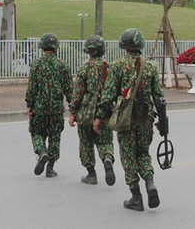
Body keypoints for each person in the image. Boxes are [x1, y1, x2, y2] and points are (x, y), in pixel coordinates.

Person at [93, 28, 168, 211]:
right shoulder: (150, 67)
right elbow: (159, 97)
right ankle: (150, 183)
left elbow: (108, 94)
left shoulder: (117, 65)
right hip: (146, 118)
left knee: (128, 155)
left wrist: (99, 117)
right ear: (140, 44)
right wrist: (163, 122)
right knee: (143, 153)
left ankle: (136, 196)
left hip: (125, 119)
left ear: (124, 46)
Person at [68, 35, 116, 186]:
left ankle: (91, 174)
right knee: (105, 141)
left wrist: (72, 112)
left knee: (86, 142)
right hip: (106, 111)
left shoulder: (84, 68)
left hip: (86, 114)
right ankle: (107, 159)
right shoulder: (109, 68)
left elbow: (77, 93)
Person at [25, 33, 73, 177]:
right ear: (56, 48)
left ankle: (41, 152)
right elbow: (69, 90)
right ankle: (50, 168)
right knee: (55, 136)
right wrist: (73, 108)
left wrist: (30, 106)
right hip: (57, 109)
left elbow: (32, 88)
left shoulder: (36, 65)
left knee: (36, 132)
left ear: (42, 47)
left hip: (39, 108)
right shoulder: (63, 66)